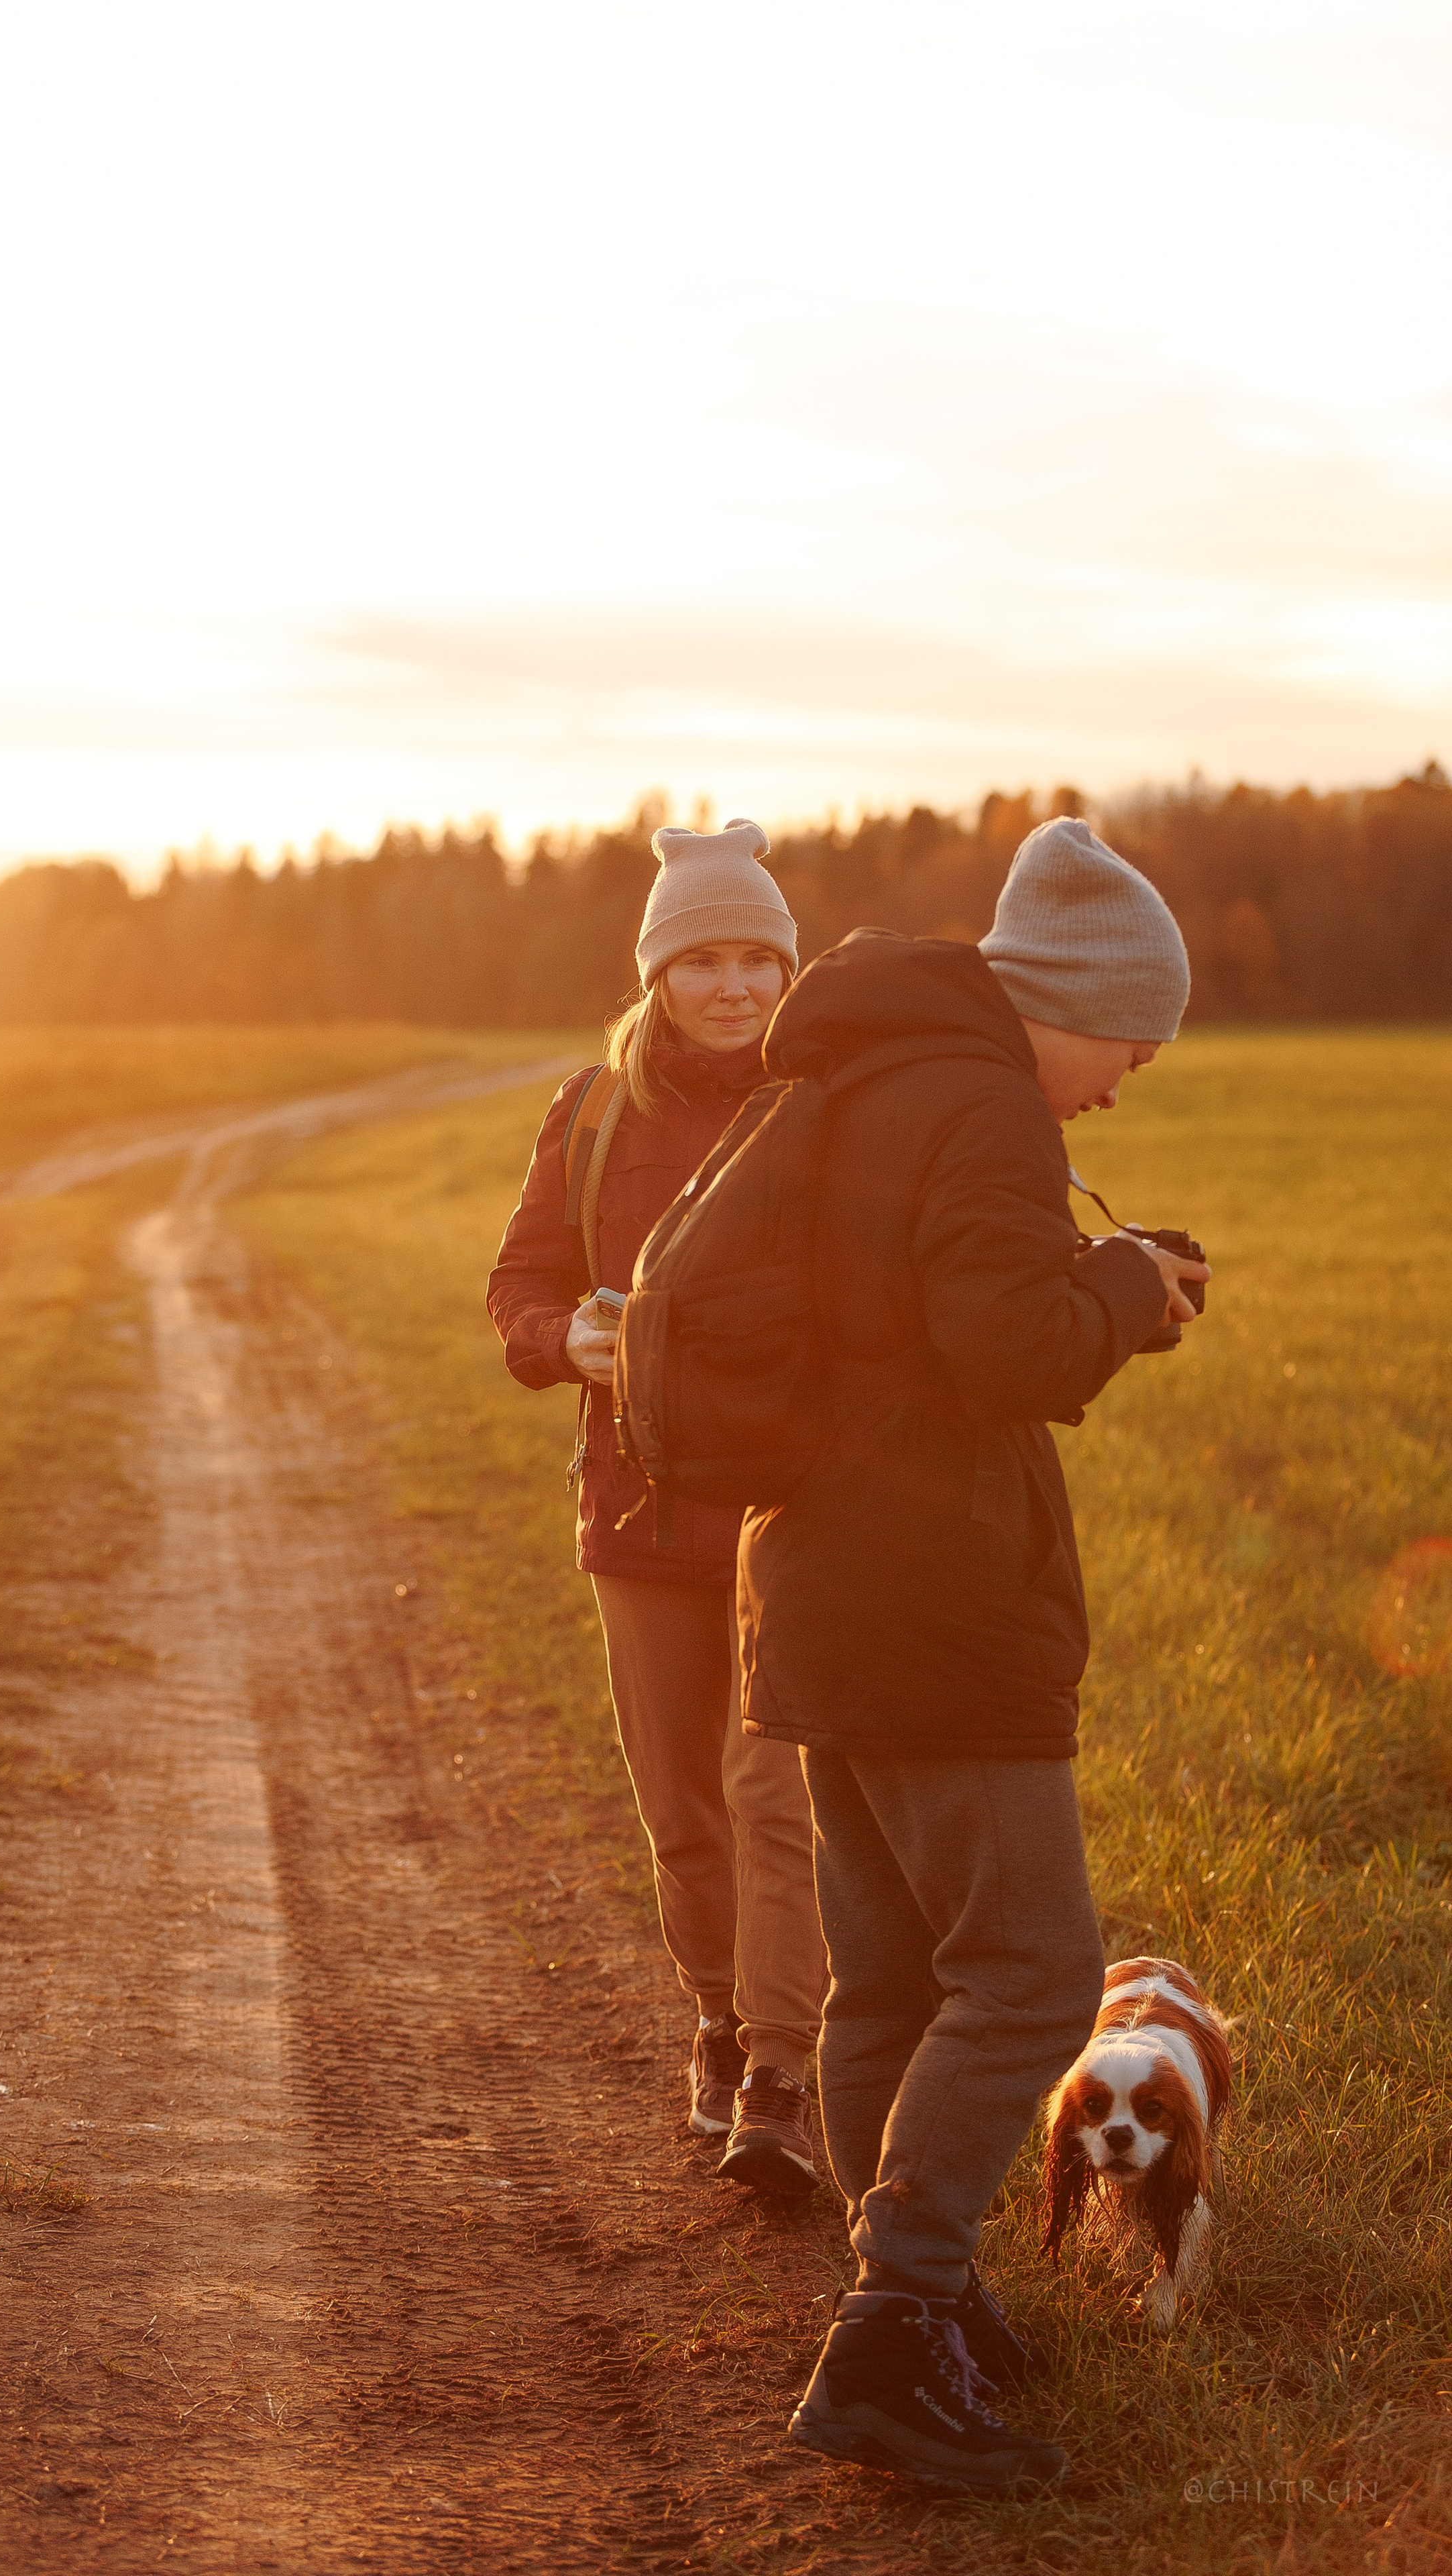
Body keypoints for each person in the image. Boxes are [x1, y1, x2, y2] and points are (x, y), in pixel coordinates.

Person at [740, 817, 1211, 2491]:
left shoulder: (872, 1075)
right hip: (935, 1602)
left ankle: (906, 2309)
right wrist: (1125, 1295)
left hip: (819, 1583)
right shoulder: (982, 1109)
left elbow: (910, 1321)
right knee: (1024, 1973)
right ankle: (889, 2327)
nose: (1126, 1075)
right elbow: (995, 1338)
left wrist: (1086, 1269)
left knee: (888, 1980)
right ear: (1061, 1002)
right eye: (1126, 1038)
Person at [488, 820, 828, 2192]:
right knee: (683, 1812)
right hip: (633, 1514)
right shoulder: (590, 1114)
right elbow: (518, 1280)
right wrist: (555, 1334)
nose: (735, 986)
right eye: (704, 959)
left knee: (771, 1802)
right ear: (656, 971)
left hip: (791, 1512)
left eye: (758, 956)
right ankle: (714, 2018)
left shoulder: (823, 1100)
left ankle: (781, 2079)